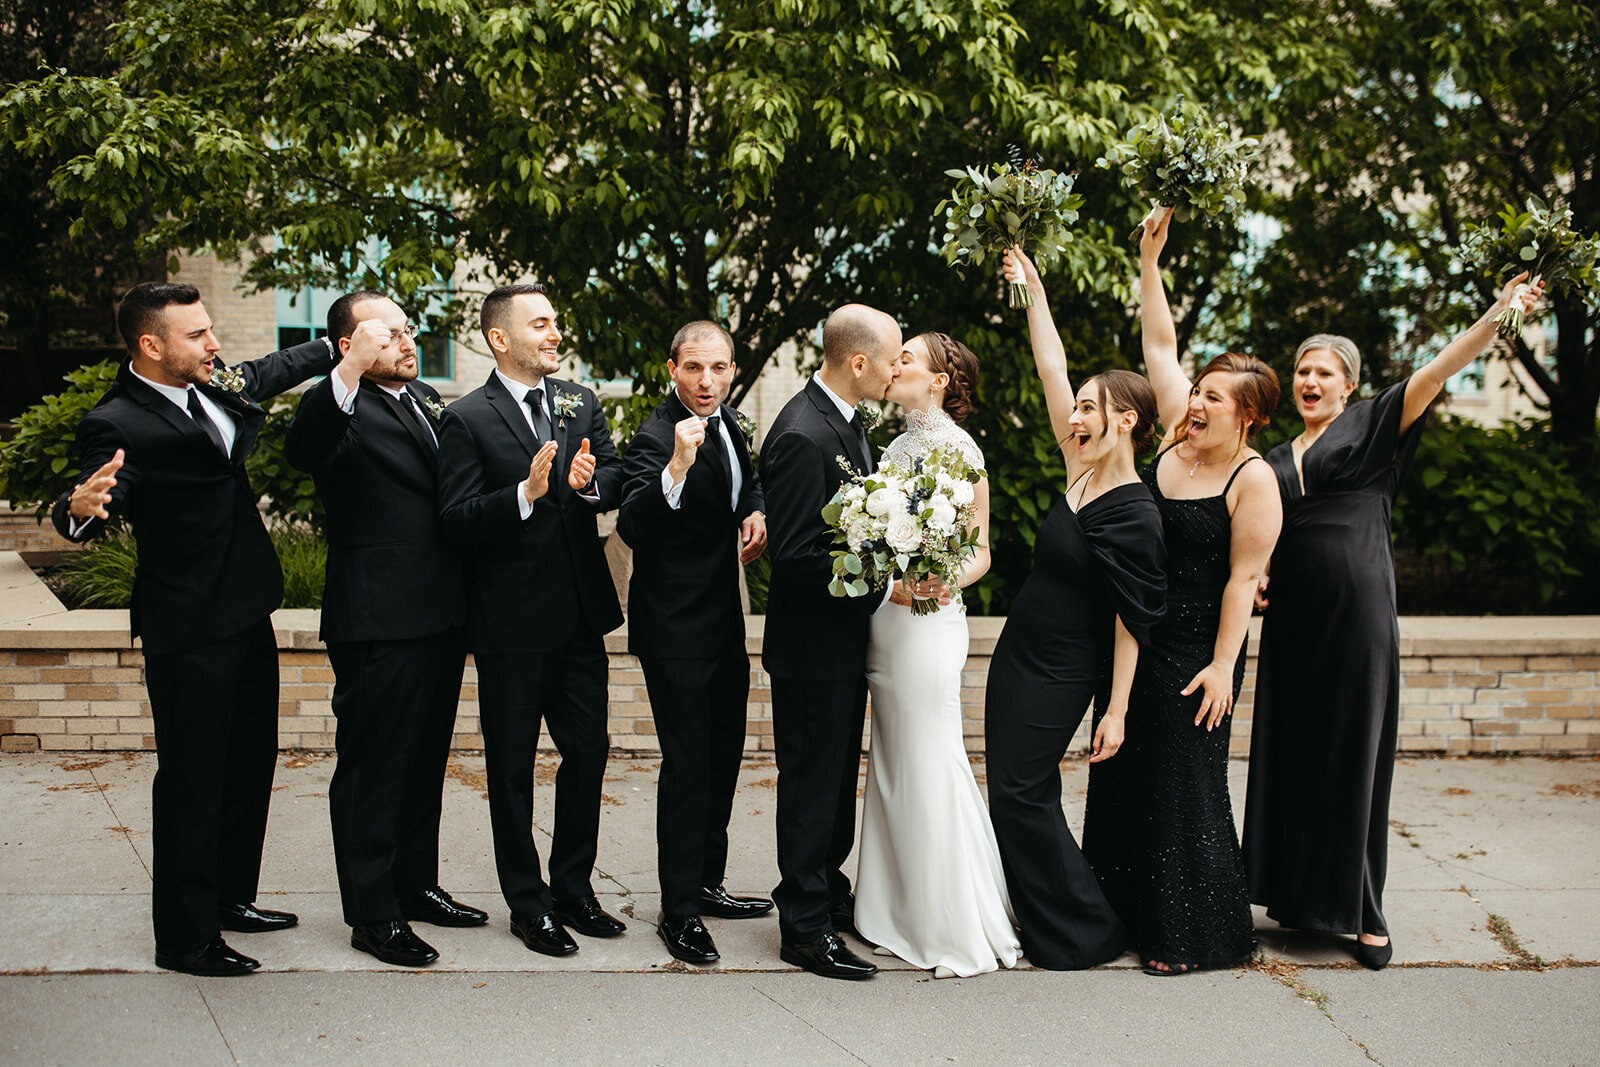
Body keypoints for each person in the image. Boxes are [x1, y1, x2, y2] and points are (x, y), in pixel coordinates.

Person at [1243, 274, 1545, 970]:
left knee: (1354, 751)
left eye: (1325, 371)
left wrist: (1498, 314)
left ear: (1348, 384)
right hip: (1292, 621)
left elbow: (1441, 368)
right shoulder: (1277, 455)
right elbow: (1263, 531)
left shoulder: (1374, 422)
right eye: (1303, 370)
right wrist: (1259, 574)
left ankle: (1363, 910)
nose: (1311, 380)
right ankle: (1291, 895)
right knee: (1293, 748)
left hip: (1357, 617)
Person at [52, 281, 335, 976]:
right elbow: (89, 501)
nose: (214, 345)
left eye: (211, 330)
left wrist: (335, 346)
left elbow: (268, 373)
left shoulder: (211, 383)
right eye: (197, 335)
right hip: (188, 624)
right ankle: (183, 936)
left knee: (247, 764)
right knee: (192, 780)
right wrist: (76, 509)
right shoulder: (118, 421)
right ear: (151, 345)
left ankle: (231, 898)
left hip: (246, 609)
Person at [285, 291, 486, 968]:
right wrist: (341, 374)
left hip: (441, 613)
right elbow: (306, 446)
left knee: (424, 759)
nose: (408, 341)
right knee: (375, 765)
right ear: (350, 345)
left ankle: (415, 882)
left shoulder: (424, 396)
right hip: (378, 617)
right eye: (390, 333)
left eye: (408, 331)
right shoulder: (339, 406)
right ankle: (372, 912)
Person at [1110, 208, 1283, 976]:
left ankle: (1194, 933)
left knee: (1187, 781)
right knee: (1130, 772)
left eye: (1217, 396)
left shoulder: (1255, 481)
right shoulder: (1178, 433)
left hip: (1202, 646)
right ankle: (1118, 913)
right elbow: (1158, 344)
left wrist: (1222, 664)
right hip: (1141, 633)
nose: (1198, 402)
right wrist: (1150, 263)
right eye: (1200, 390)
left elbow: (1245, 580)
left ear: (1249, 415)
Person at [984, 249, 1167, 971]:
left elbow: (1133, 619)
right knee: (1011, 789)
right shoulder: (1078, 469)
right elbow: (1051, 367)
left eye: (1091, 406)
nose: (1077, 412)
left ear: (1125, 419)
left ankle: (1087, 927)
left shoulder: (1139, 514)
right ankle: (1046, 915)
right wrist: (1034, 291)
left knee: (1022, 793)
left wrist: (1115, 708)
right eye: (1080, 405)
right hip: (1017, 653)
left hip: (1064, 666)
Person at [436, 283, 626, 957]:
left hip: (579, 620)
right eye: (539, 323)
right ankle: (527, 902)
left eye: (556, 321)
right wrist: (525, 492)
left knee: (590, 753)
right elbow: (454, 521)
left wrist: (587, 483)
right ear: (499, 338)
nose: (554, 333)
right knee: (512, 767)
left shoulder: (580, 402)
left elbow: (617, 476)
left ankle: (573, 887)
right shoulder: (465, 418)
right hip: (510, 626)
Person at [852, 329, 1023, 978]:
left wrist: (940, 580)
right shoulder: (894, 445)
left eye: (906, 360)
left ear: (939, 381)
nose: (893, 366)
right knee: (892, 761)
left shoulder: (961, 450)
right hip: (885, 618)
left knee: (929, 757)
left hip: (927, 618)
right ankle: (890, 910)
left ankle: (947, 921)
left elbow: (979, 550)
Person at [617, 321, 770, 966]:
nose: (707, 382)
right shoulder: (656, 434)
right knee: (687, 766)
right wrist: (677, 465)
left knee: (723, 756)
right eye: (694, 369)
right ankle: (677, 910)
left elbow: (745, 478)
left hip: (721, 622)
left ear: (731, 369)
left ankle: (708, 881)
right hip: (673, 628)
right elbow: (634, 522)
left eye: (719, 368)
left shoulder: (731, 422)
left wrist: (753, 509)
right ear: (671, 368)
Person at [762, 303, 901, 980]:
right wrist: (882, 568)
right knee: (813, 787)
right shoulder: (800, 434)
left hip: (840, 645)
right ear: (857, 362)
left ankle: (826, 890)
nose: (896, 369)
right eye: (892, 358)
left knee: (832, 782)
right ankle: (804, 925)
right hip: (811, 649)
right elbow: (793, 555)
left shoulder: (843, 425)